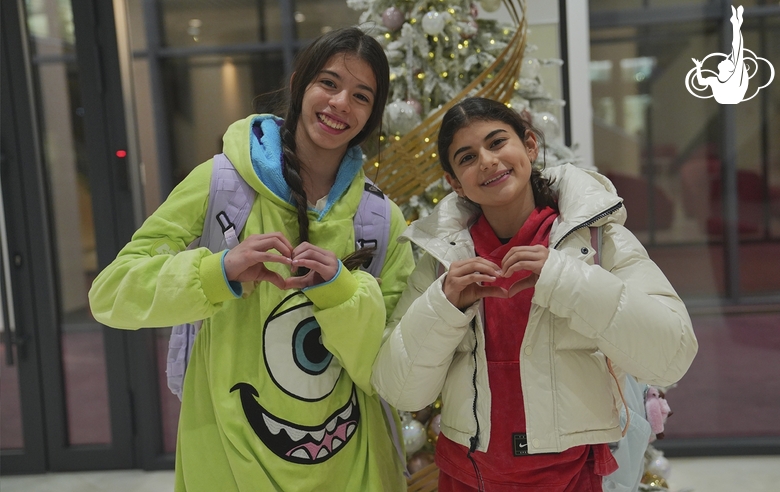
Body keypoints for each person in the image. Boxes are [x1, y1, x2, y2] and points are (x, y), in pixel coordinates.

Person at [89, 27, 415, 491]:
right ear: (300, 81)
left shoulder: (381, 220)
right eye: (329, 83)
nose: (341, 103)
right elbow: (112, 293)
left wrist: (342, 291)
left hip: (351, 467)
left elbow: (388, 367)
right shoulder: (221, 185)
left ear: (373, 114)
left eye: (361, 95)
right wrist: (217, 271)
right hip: (224, 460)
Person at [371, 97, 698, 491]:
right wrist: (444, 304)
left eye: (496, 143)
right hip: (467, 477)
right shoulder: (442, 264)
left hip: (574, 476)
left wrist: (564, 279)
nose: (488, 161)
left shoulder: (597, 240)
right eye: (467, 157)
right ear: (454, 182)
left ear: (529, 146)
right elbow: (399, 390)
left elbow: (672, 355)